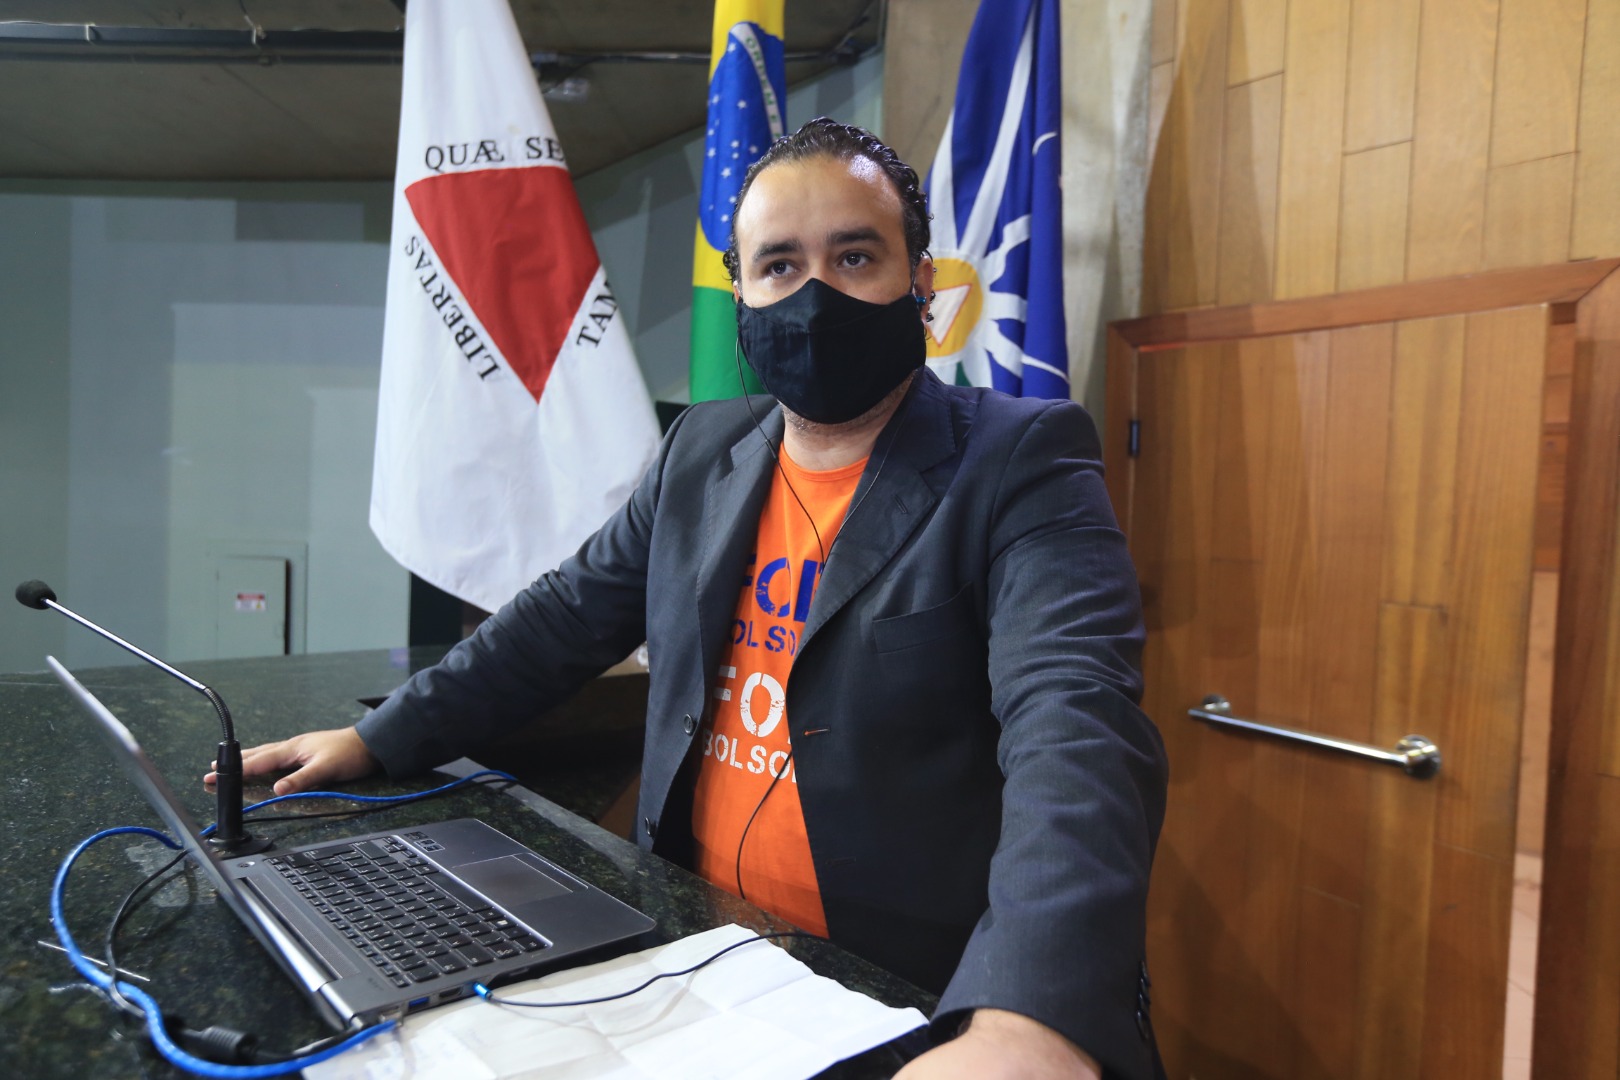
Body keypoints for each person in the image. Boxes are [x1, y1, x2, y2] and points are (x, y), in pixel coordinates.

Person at [215, 118, 1167, 1080]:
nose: (816, 294)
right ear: (741, 290)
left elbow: (1074, 722)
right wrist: (380, 737)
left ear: (919, 282)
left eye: (855, 256)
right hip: (696, 961)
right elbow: (560, 620)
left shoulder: (1019, 458)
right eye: (779, 265)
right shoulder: (703, 450)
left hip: (901, 990)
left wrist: (1024, 1017)